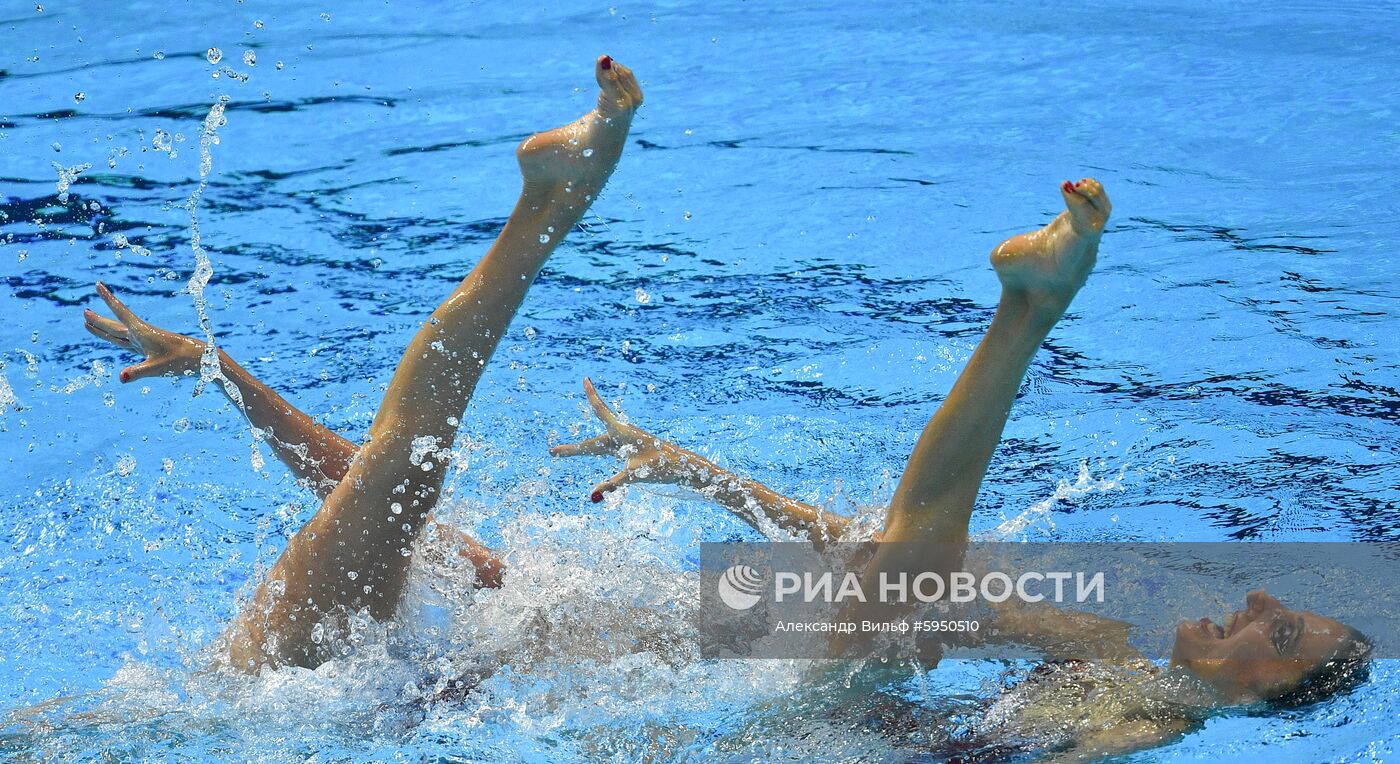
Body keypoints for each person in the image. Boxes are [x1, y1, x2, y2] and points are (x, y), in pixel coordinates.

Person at [552, 179, 1373, 759]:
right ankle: (1029, 307)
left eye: (1285, 630)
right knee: (912, 563)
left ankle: (1033, 307)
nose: (1260, 598)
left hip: (815, 738)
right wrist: (698, 473)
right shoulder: (1103, 646)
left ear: (1267, 693)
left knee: (921, 560)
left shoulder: (1140, 730)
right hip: (824, 716)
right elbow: (870, 563)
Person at [83, 55, 644, 671]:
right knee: (410, 483)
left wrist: (221, 372)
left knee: (406, 476)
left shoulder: (704, 624)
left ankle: (553, 203)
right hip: (295, 681)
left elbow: (393, 500)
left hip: (273, 680)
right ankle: (552, 203)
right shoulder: (681, 623)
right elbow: (403, 510)